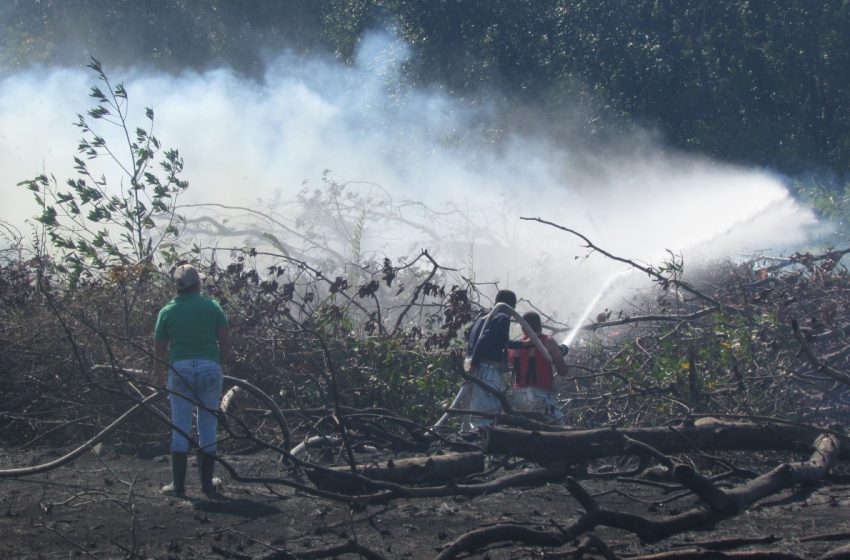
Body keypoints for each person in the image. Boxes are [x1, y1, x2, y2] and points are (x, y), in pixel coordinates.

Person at [154, 264, 231, 497]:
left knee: (180, 427)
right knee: (208, 426)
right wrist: (218, 364)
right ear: (198, 284)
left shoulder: (167, 312)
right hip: (209, 369)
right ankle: (207, 485)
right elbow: (225, 344)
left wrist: (160, 381)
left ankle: (178, 486)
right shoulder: (212, 307)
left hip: (179, 372)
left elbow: (159, 352)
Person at [461, 289, 517, 431]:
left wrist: (525, 344)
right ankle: (479, 446)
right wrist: (474, 365)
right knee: (485, 415)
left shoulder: (482, 318)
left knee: (470, 415)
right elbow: (484, 341)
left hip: (473, 366)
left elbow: (496, 341)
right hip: (486, 369)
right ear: (511, 306)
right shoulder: (502, 317)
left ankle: (465, 443)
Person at [507, 311, 569, 422]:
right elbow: (563, 370)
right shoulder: (547, 341)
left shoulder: (515, 346)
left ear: (523, 327)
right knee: (559, 427)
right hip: (539, 396)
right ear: (540, 325)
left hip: (517, 397)